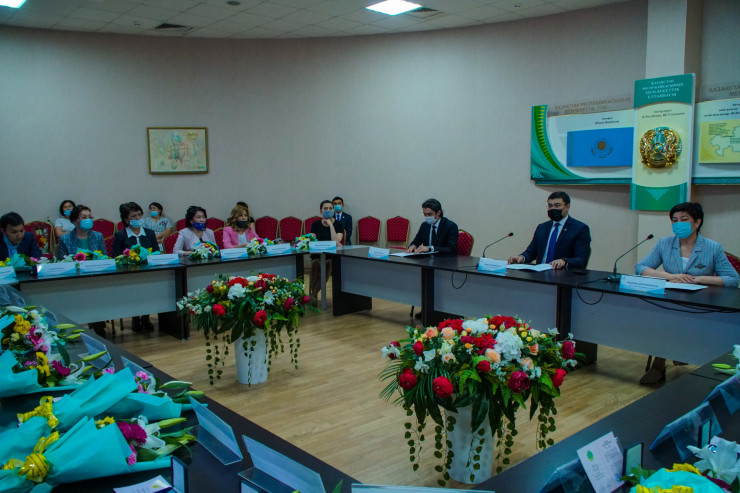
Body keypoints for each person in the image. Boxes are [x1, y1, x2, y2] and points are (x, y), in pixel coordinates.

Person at [635, 202, 739, 384]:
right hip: (670, 298)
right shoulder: (665, 244)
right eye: (674, 220)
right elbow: (641, 268)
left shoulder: (712, 247)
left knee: (673, 319)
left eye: (684, 220)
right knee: (662, 316)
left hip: (701, 302)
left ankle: (664, 362)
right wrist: (669, 276)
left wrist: (698, 279)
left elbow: (732, 279)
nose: (678, 224)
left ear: (697, 222)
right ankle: (662, 362)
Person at [55, 205, 108, 337]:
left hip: (96, 277)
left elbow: (105, 258)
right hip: (75, 278)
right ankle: (91, 322)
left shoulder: (98, 236)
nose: (88, 220)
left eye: (89, 217)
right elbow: (62, 262)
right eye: (83, 217)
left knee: (96, 292)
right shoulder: (65, 239)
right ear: (74, 221)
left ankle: (97, 321)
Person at [508, 191, 591, 269]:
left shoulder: (579, 229)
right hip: (539, 273)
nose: (553, 209)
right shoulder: (542, 227)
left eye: (557, 205)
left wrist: (564, 261)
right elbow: (531, 252)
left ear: (567, 207)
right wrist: (521, 257)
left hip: (563, 275)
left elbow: (581, 260)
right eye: (550, 206)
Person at [112, 202, 160, 332]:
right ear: (126, 219)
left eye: (139, 215)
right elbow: (115, 257)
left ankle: (145, 317)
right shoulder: (120, 235)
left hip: (148, 272)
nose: (138, 218)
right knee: (134, 289)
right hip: (129, 274)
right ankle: (135, 317)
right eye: (134, 216)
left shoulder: (149, 233)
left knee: (150, 288)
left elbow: (156, 252)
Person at [308, 200, 344, 305]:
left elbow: (336, 241)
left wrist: (331, 225)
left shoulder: (338, 224)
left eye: (330, 208)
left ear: (333, 210)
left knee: (328, 264)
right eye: (325, 208)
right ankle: (313, 295)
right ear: (321, 211)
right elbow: (312, 241)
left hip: (332, 256)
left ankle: (313, 295)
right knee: (315, 264)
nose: (328, 210)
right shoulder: (315, 224)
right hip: (317, 255)